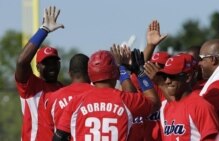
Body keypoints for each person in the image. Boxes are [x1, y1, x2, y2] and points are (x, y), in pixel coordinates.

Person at [53, 50, 160, 141]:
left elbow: (59, 137)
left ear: (90, 73)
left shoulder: (76, 102)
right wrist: (140, 73)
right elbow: (154, 102)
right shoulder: (126, 100)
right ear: (115, 73)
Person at [15, 6, 64, 141]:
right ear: (37, 66)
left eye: (54, 62)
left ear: (59, 64)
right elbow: (21, 62)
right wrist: (44, 31)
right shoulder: (31, 86)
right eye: (46, 63)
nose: (51, 66)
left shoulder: (64, 90)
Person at [157, 54, 219, 140]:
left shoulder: (201, 106)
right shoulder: (165, 106)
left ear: (188, 77)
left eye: (172, 76)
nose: (167, 81)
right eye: (164, 77)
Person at [43, 53, 93, 140]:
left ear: (69, 73)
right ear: (90, 72)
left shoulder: (54, 97)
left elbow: (51, 132)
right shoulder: (97, 95)